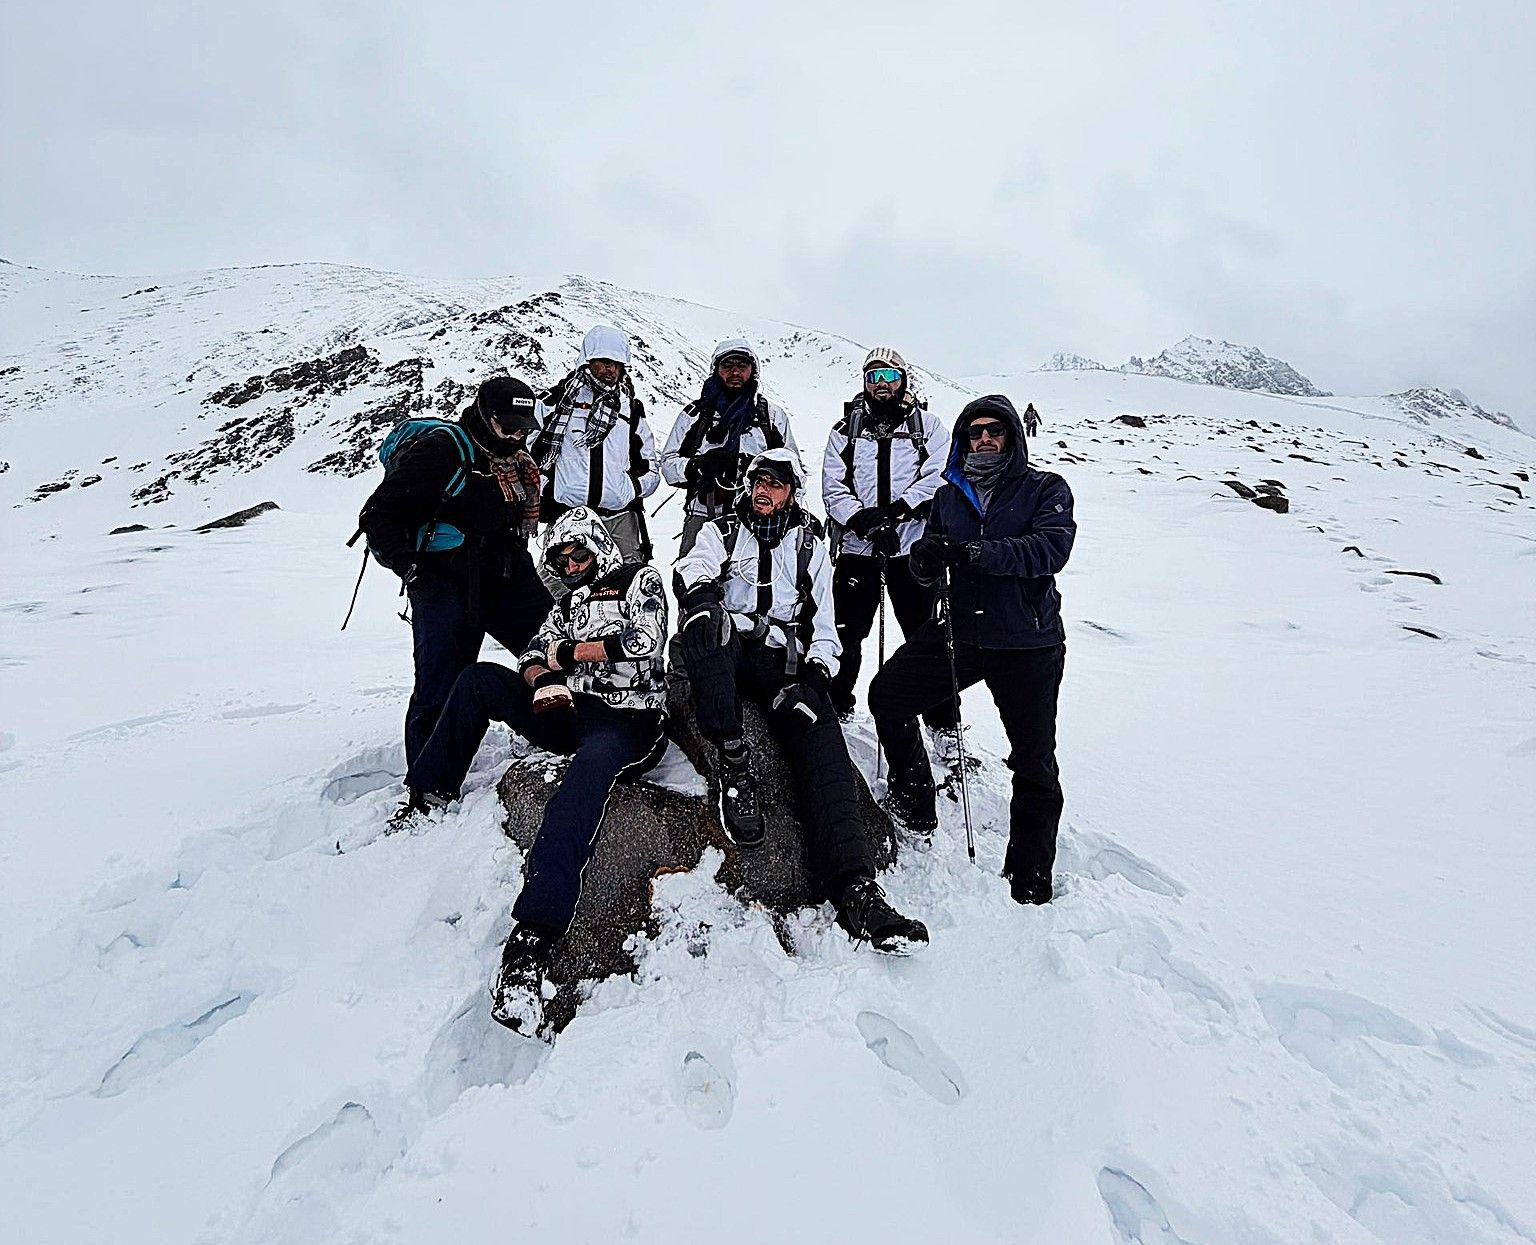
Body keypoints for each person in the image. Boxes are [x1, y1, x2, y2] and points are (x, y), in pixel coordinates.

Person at [396, 507, 669, 1032]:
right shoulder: (564, 602)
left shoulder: (640, 578)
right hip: (571, 708)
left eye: (580, 554)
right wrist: (544, 674)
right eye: (562, 559)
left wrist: (563, 655)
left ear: (600, 547)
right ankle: (427, 792)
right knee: (479, 679)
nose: (571, 566)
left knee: (586, 775)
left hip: (629, 721)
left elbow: (643, 641)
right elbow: (531, 653)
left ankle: (535, 933)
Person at [673, 448, 929, 953]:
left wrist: (815, 675)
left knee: (820, 738)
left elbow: (828, 629)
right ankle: (734, 766)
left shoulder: (809, 544)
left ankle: (855, 888)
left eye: (776, 483)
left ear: (792, 490)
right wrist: (703, 598)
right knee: (703, 625)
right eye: (758, 481)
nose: (763, 491)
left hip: (779, 659)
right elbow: (691, 567)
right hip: (729, 644)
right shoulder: (722, 530)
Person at [868, 395, 1075, 905]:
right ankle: (915, 803)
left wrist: (973, 553)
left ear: (1011, 437)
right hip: (961, 633)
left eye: (994, 431)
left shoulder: (1044, 488)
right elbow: (934, 555)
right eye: (975, 432)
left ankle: (1029, 878)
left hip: (1027, 641)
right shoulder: (949, 495)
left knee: (1033, 762)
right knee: (888, 696)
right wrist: (923, 562)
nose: (984, 439)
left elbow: (1049, 549)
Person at [358, 376, 552, 787]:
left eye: (525, 426)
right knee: (440, 684)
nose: (518, 435)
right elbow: (378, 514)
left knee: (552, 649)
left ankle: (562, 731)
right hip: (443, 581)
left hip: (503, 572)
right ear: (485, 415)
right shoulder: (443, 450)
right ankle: (430, 783)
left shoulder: (517, 463)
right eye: (509, 425)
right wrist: (410, 568)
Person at [821, 347, 956, 733]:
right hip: (858, 547)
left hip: (911, 547)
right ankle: (836, 707)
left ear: (903, 381)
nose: (882, 386)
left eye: (889, 378)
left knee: (923, 633)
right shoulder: (844, 429)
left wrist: (898, 512)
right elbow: (833, 486)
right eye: (873, 378)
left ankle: (943, 720)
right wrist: (864, 521)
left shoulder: (926, 426)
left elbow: (939, 474)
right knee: (846, 632)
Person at [530, 324, 659, 569]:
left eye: (617, 363)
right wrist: (549, 488)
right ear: (587, 361)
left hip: (618, 519)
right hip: (566, 516)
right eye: (604, 361)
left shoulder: (630, 409)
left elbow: (650, 466)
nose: (610, 369)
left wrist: (628, 489)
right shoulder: (553, 403)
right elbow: (527, 456)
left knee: (626, 586)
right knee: (554, 589)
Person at [659, 338, 803, 554]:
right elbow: (668, 465)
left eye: (741, 366)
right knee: (692, 579)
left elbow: (793, 470)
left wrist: (757, 469)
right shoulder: (695, 416)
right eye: (727, 366)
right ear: (716, 370)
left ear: (753, 370)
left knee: (749, 583)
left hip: (758, 519)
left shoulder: (772, 417)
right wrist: (698, 466)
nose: (735, 372)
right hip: (702, 514)